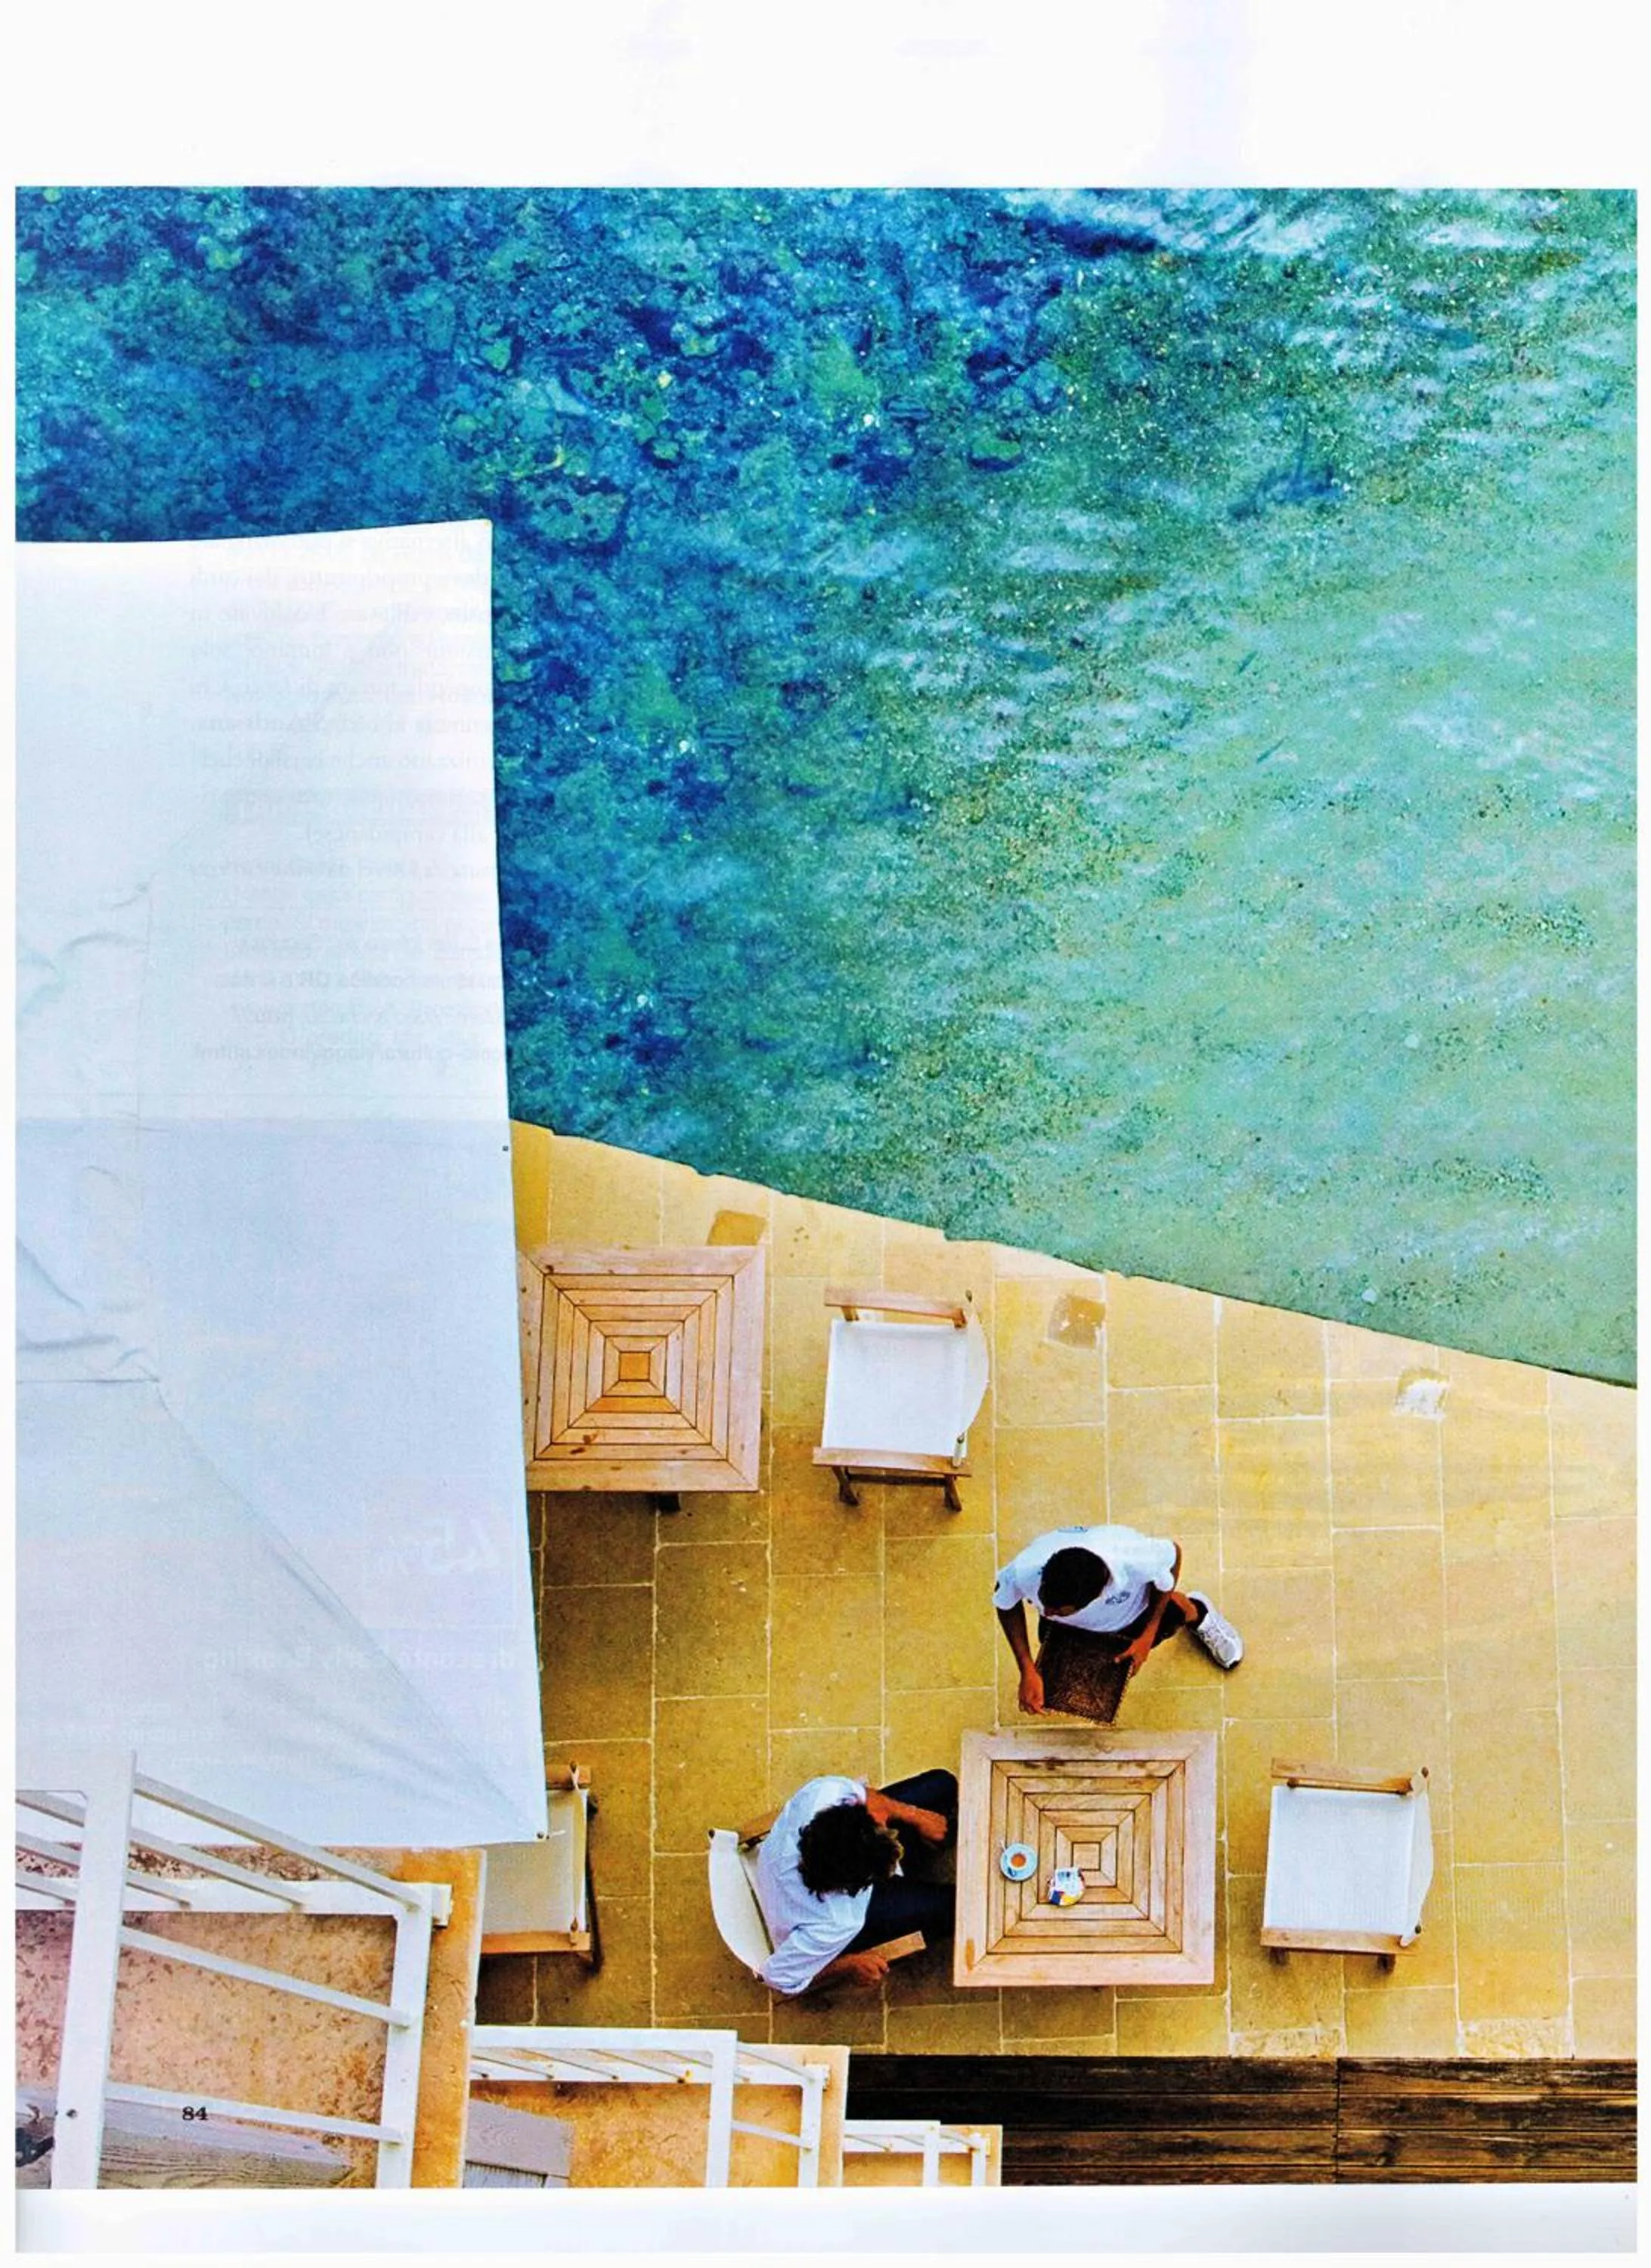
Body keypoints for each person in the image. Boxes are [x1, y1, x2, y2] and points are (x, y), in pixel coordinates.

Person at [993, 1522, 1243, 1715]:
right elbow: (1005, 1601)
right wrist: (1026, 1668)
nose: (1046, 1614)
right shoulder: (1025, 1569)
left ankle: (1198, 1612)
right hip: (1071, 1631)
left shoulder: (1133, 1555)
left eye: (1058, 1611)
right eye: (1044, 1603)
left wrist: (1147, 1636)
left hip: (1134, 1616)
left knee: (1175, 1611)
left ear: (1098, 1595)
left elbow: (1173, 1557)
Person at [753, 1768, 958, 1997]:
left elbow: (870, 1799)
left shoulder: (823, 1794)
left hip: (797, 1869)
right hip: (841, 1910)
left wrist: (915, 1815)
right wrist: (850, 1965)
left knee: (943, 1784)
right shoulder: (834, 1925)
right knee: (955, 1907)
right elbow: (776, 1977)